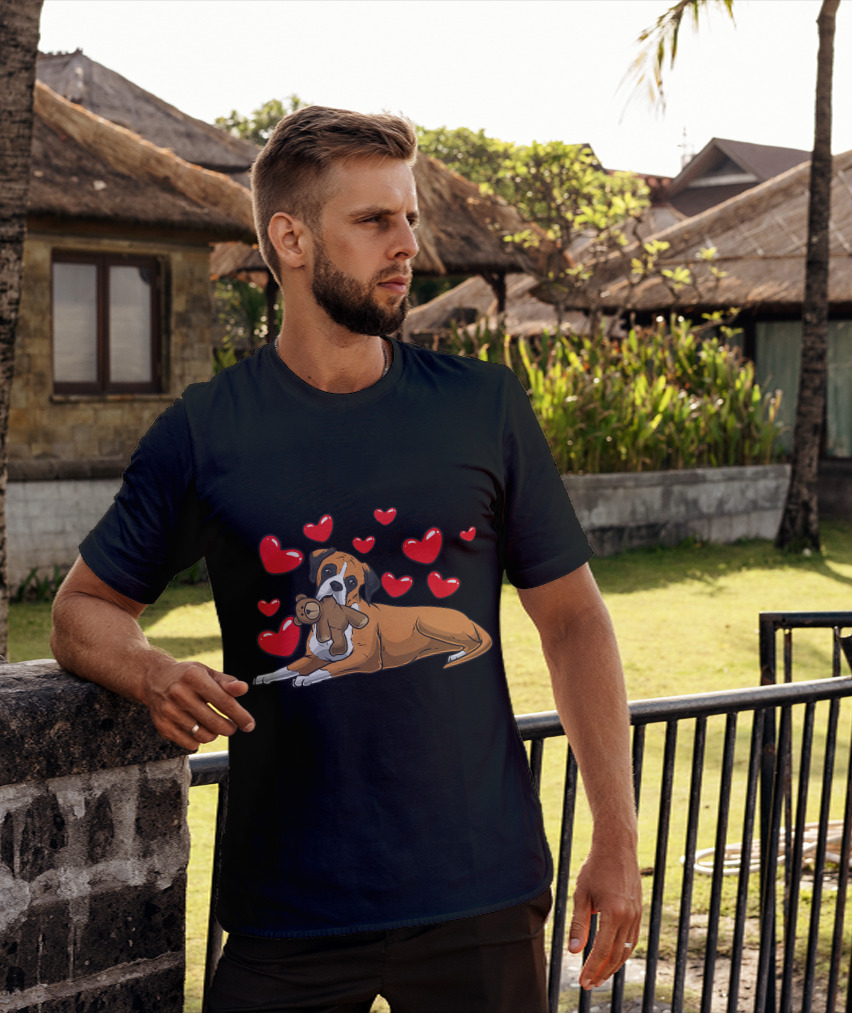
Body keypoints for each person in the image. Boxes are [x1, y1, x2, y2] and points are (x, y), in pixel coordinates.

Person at [51, 105, 641, 1013]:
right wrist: (152, 671)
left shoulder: (482, 407)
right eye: (373, 220)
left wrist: (616, 837)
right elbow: (80, 609)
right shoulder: (207, 431)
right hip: (288, 907)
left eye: (409, 216)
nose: (407, 243)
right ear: (291, 238)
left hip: (481, 891)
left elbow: (573, 621)